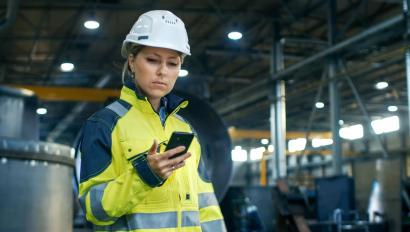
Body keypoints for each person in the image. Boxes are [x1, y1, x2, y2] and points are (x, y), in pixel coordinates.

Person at [77, 10, 226, 231]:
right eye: (152, 60)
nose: (162, 72)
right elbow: (94, 210)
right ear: (131, 61)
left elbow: (207, 206)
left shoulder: (185, 129)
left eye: (173, 64)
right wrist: (143, 175)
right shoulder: (104, 125)